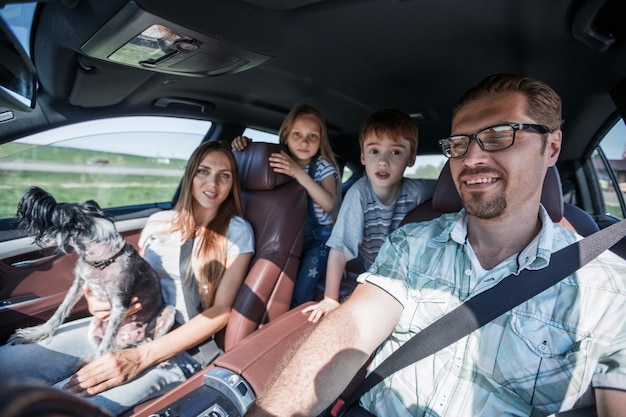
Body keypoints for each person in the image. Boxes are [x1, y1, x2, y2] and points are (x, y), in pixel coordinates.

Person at [246, 74, 626, 417]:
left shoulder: (610, 289)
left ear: (552, 147)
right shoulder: (411, 243)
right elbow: (353, 327)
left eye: (498, 136)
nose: (472, 158)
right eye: (459, 144)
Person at [0, 141, 255, 416]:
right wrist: (94, 300)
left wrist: (140, 357)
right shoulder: (158, 222)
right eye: (203, 171)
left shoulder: (237, 232)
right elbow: (127, 275)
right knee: (7, 365)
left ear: (233, 183)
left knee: (61, 405)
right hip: (122, 324)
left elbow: (221, 311)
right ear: (190, 175)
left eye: (224, 175)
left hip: (176, 349)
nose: (213, 183)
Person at [302, 108, 435, 323]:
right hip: (376, 272)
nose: (383, 162)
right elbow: (339, 248)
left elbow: (451, 191)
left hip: (412, 272)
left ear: (411, 158)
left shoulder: (416, 191)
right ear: (362, 156)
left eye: (395, 152)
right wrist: (330, 298)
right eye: (374, 151)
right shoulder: (359, 194)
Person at [232, 104, 340, 307]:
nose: (304, 142)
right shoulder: (279, 161)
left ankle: (297, 318)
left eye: (312, 136)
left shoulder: (322, 166)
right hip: (288, 234)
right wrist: (244, 145)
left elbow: (330, 204)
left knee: (300, 292)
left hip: (319, 239)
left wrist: (298, 174)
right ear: (285, 136)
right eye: (297, 134)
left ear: (320, 141)